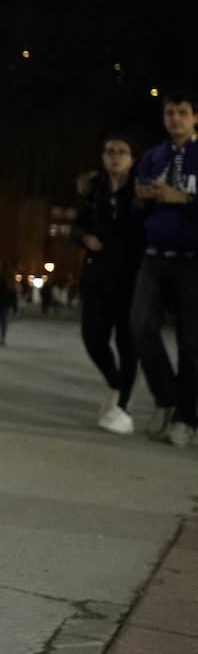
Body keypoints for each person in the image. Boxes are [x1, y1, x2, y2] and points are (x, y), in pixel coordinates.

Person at [129, 91, 198, 446]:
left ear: (195, 118)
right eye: (170, 113)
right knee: (139, 326)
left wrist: (184, 198)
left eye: (182, 113)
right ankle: (166, 398)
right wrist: (139, 199)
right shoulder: (154, 156)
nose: (175, 119)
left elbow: (184, 197)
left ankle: (187, 418)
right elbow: (136, 206)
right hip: (155, 255)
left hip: (192, 260)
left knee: (190, 343)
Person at [71, 136, 144, 433]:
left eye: (122, 152)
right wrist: (83, 238)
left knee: (128, 343)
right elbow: (77, 225)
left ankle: (122, 407)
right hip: (97, 274)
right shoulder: (93, 191)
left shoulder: (140, 191)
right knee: (92, 335)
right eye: (110, 152)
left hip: (130, 277)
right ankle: (115, 384)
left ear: (132, 159)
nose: (115, 157)